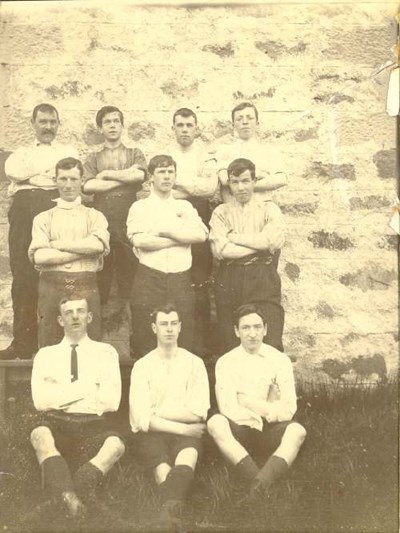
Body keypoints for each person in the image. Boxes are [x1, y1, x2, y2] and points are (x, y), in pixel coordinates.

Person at [30, 297, 124, 518]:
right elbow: (41, 401)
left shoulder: (106, 352)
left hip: (94, 423)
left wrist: (60, 393)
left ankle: (67, 496)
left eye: (80, 311)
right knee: (39, 435)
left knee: (115, 445)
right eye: (69, 312)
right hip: (57, 422)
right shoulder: (46, 355)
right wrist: (89, 390)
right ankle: (74, 499)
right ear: (60, 320)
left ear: (89, 317)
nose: (75, 316)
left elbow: (112, 401)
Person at [0, 103, 78, 360]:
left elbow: (64, 176)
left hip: (54, 209)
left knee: (57, 273)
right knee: (23, 275)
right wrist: (43, 174)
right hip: (23, 211)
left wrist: (28, 178)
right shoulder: (21, 152)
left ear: (58, 124)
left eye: (52, 122)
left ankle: (56, 343)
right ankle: (23, 343)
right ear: (33, 124)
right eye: (42, 121)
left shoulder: (68, 151)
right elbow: (12, 171)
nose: (47, 127)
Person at [207, 304, 306, 500]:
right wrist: (269, 407)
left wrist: (248, 401)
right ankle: (256, 479)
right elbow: (227, 408)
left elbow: (289, 408)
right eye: (245, 328)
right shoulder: (226, 362)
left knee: (298, 431)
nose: (252, 333)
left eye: (257, 327)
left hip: (272, 428)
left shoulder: (279, 360)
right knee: (216, 423)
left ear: (266, 329)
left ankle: (258, 487)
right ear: (236, 331)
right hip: (241, 431)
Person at [129, 304, 209, 529]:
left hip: (181, 434)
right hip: (154, 436)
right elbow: (141, 420)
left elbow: (198, 411)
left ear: (180, 327)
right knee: (163, 470)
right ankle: (176, 518)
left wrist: (156, 411)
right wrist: (184, 427)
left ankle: (166, 520)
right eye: (164, 324)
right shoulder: (142, 366)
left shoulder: (195, 363)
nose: (169, 329)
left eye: (174, 323)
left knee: (188, 458)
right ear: (154, 328)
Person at [127, 154, 208, 358]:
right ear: (151, 177)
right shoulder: (140, 207)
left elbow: (200, 235)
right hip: (149, 278)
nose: (166, 177)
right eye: (161, 172)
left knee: (183, 337)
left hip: (180, 279)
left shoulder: (185, 207)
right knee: (146, 338)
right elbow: (140, 241)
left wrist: (167, 233)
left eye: (170, 172)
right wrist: (181, 238)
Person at [28, 157, 109, 348]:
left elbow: (97, 247)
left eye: (73, 179)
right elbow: (40, 256)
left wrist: (58, 245)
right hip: (51, 285)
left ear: (82, 181)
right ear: (55, 181)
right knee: (50, 343)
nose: (68, 185)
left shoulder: (95, 216)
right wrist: (83, 251)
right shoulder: (43, 218)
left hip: (86, 283)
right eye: (63, 179)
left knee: (90, 344)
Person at [209, 158, 285, 353]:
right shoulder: (221, 212)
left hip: (262, 276)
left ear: (254, 182)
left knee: (269, 341)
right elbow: (221, 250)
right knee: (231, 343)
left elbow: (273, 241)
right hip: (230, 277)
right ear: (229, 184)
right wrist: (259, 244)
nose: (240, 187)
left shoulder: (269, 209)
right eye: (235, 182)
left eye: (245, 181)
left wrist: (234, 237)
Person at [83, 106, 147, 307]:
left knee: (131, 270)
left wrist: (107, 175)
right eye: (107, 122)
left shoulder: (134, 153)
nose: (112, 125)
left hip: (128, 215)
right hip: (102, 216)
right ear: (100, 128)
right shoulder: (93, 158)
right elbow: (87, 185)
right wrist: (124, 178)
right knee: (101, 271)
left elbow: (140, 175)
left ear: (122, 125)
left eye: (116, 121)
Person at [168, 108, 218, 354]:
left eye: (189, 125)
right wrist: (192, 186)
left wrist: (180, 184)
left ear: (196, 128)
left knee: (199, 279)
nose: (185, 130)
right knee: (175, 275)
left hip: (200, 215)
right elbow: (161, 189)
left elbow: (209, 189)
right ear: (173, 129)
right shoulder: (166, 157)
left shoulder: (206, 156)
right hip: (171, 214)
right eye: (180, 125)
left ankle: (199, 345)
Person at [215, 101, 287, 203]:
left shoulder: (270, 151)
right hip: (234, 210)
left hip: (263, 207)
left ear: (257, 123)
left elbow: (281, 179)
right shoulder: (224, 150)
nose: (245, 122)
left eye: (250, 118)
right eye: (239, 119)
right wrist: (261, 175)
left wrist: (239, 184)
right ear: (233, 125)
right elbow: (224, 179)